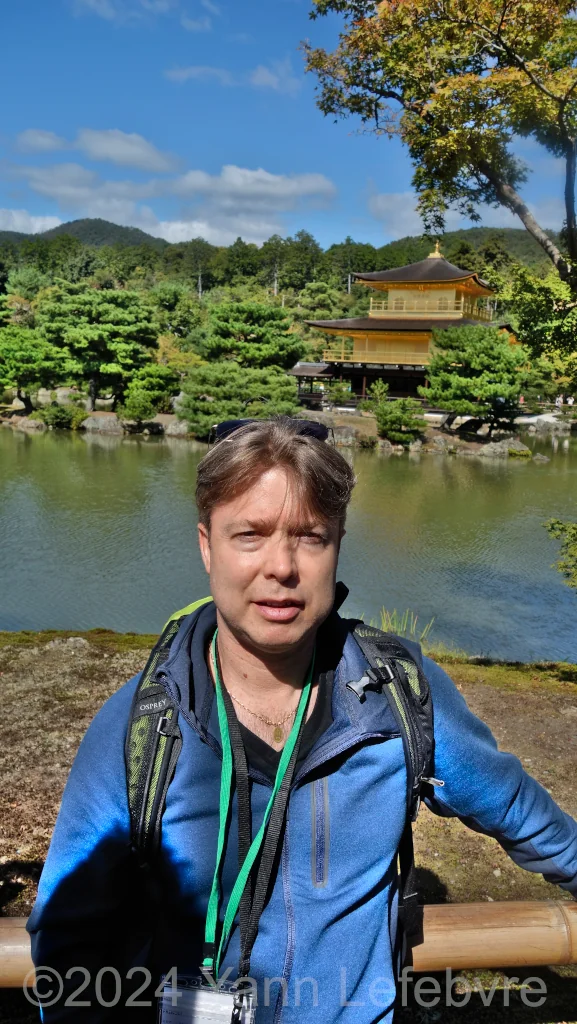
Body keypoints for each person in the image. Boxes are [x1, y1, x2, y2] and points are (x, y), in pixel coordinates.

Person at [28, 417, 577, 1024]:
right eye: (250, 535)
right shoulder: (144, 727)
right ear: (207, 545)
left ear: (338, 544)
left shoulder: (398, 696)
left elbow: (522, 814)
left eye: (310, 537)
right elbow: (66, 931)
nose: (282, 568)